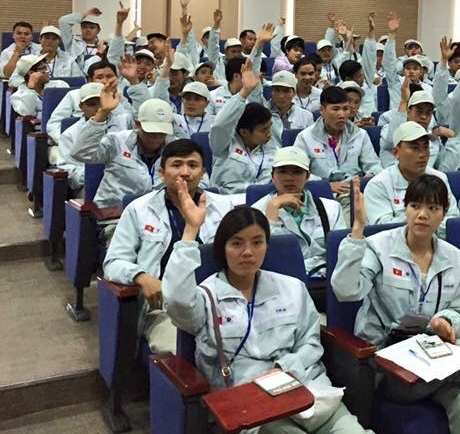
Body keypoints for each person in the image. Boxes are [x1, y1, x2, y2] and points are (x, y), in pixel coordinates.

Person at [163, 202, 369, 434]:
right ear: (223, 248)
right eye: (237, 243)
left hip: (309, 394)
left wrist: (285, 368)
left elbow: (310, 343)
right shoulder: (206, 296)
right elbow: (176, 301)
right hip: (254, 407)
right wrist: (191, 231)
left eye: (257, 242)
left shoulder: (292, 289)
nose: (248, 252)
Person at [332, 176, 460, 434]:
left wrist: (445, 322)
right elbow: (346, 292)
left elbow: (458, 313)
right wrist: (358, 229)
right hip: (390, 366)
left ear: (443, 214)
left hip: (434, 357)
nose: (422, 215)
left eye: (432, 208)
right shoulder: (378, 247)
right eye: (415, 206)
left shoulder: (456, 259)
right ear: (405, 208)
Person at [102, 139, 234, 353]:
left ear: (203, 173)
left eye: (193, 165)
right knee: (184, 353)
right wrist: (141, 276)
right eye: (176, 165)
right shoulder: (139, 209)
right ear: (162, 173)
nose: (185, 172)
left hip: (218, 301)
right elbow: (113, 262)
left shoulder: (223, 207)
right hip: (165, 308)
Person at [73, 83, 180, 208]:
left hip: (158, 215)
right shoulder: (116, 141)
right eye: (150, 131)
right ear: (137, 124)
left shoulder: (176, 148)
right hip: (114, 214)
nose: (156, 137)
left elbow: (200, 181)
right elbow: (81, 153)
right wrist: (102, 113)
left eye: (161, 132)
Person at [252, 147, 345, 280]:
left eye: (297, 172)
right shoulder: (256, 212)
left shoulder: (331, 208)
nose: (289, 178)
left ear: (307, 176)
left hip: (326, 280)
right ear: (273, 176)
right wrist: (273, 209)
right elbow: (267, 258)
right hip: (281, 281)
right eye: (282, 172)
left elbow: (340, 252)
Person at [363, 121, 459, 235]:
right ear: (396, 152)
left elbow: (453, 221)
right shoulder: (378, 185)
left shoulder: (439, 178)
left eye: (426, 147)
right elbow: (383, 229)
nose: (423, 154)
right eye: (415, 148)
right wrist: (431, 221)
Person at [294, 86, 382, 194]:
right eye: (335, 109)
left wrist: (363, 181)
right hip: (323, 194)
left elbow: (374, 166)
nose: (342, 115)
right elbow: (298, 172)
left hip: (354, 191)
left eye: (345, 109)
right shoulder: (305, 137)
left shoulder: (360, 135)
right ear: (322, 110)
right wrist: (325, 186)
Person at [209, 60, 276, 194]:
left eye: (269, 128)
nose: (269, 134)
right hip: (228, 202)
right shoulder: (223, 145)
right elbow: (220, 125)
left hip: (261, 202)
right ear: (244, 132)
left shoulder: (271, 147)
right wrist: (244, 92)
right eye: (264, 130)